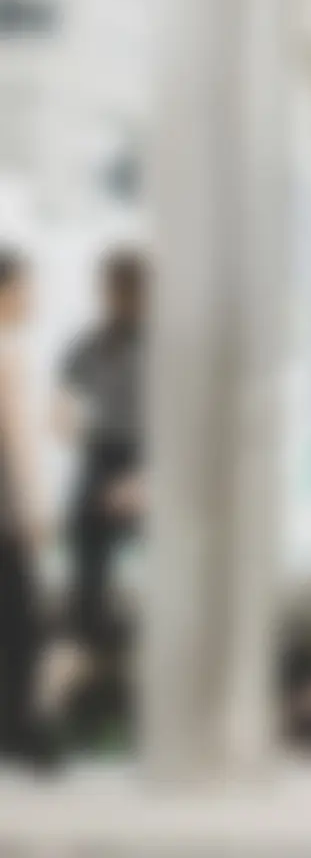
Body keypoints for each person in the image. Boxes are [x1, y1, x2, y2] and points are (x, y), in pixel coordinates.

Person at [55, 249, 145, 727]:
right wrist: (80, 434)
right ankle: (84, 647)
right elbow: (62, 414)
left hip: (153, 463)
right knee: (84, 539)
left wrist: (144, 481)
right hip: (103, 457)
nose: (114, 298)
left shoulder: (162, 345)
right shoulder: (91, 344)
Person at [0, 249, 55, 770]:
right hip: (5, 517)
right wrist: (35, 510)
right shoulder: (7, 354)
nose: (31, 299)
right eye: (25, 288)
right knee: (22, 629)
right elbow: (17, 443)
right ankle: (21, 736)